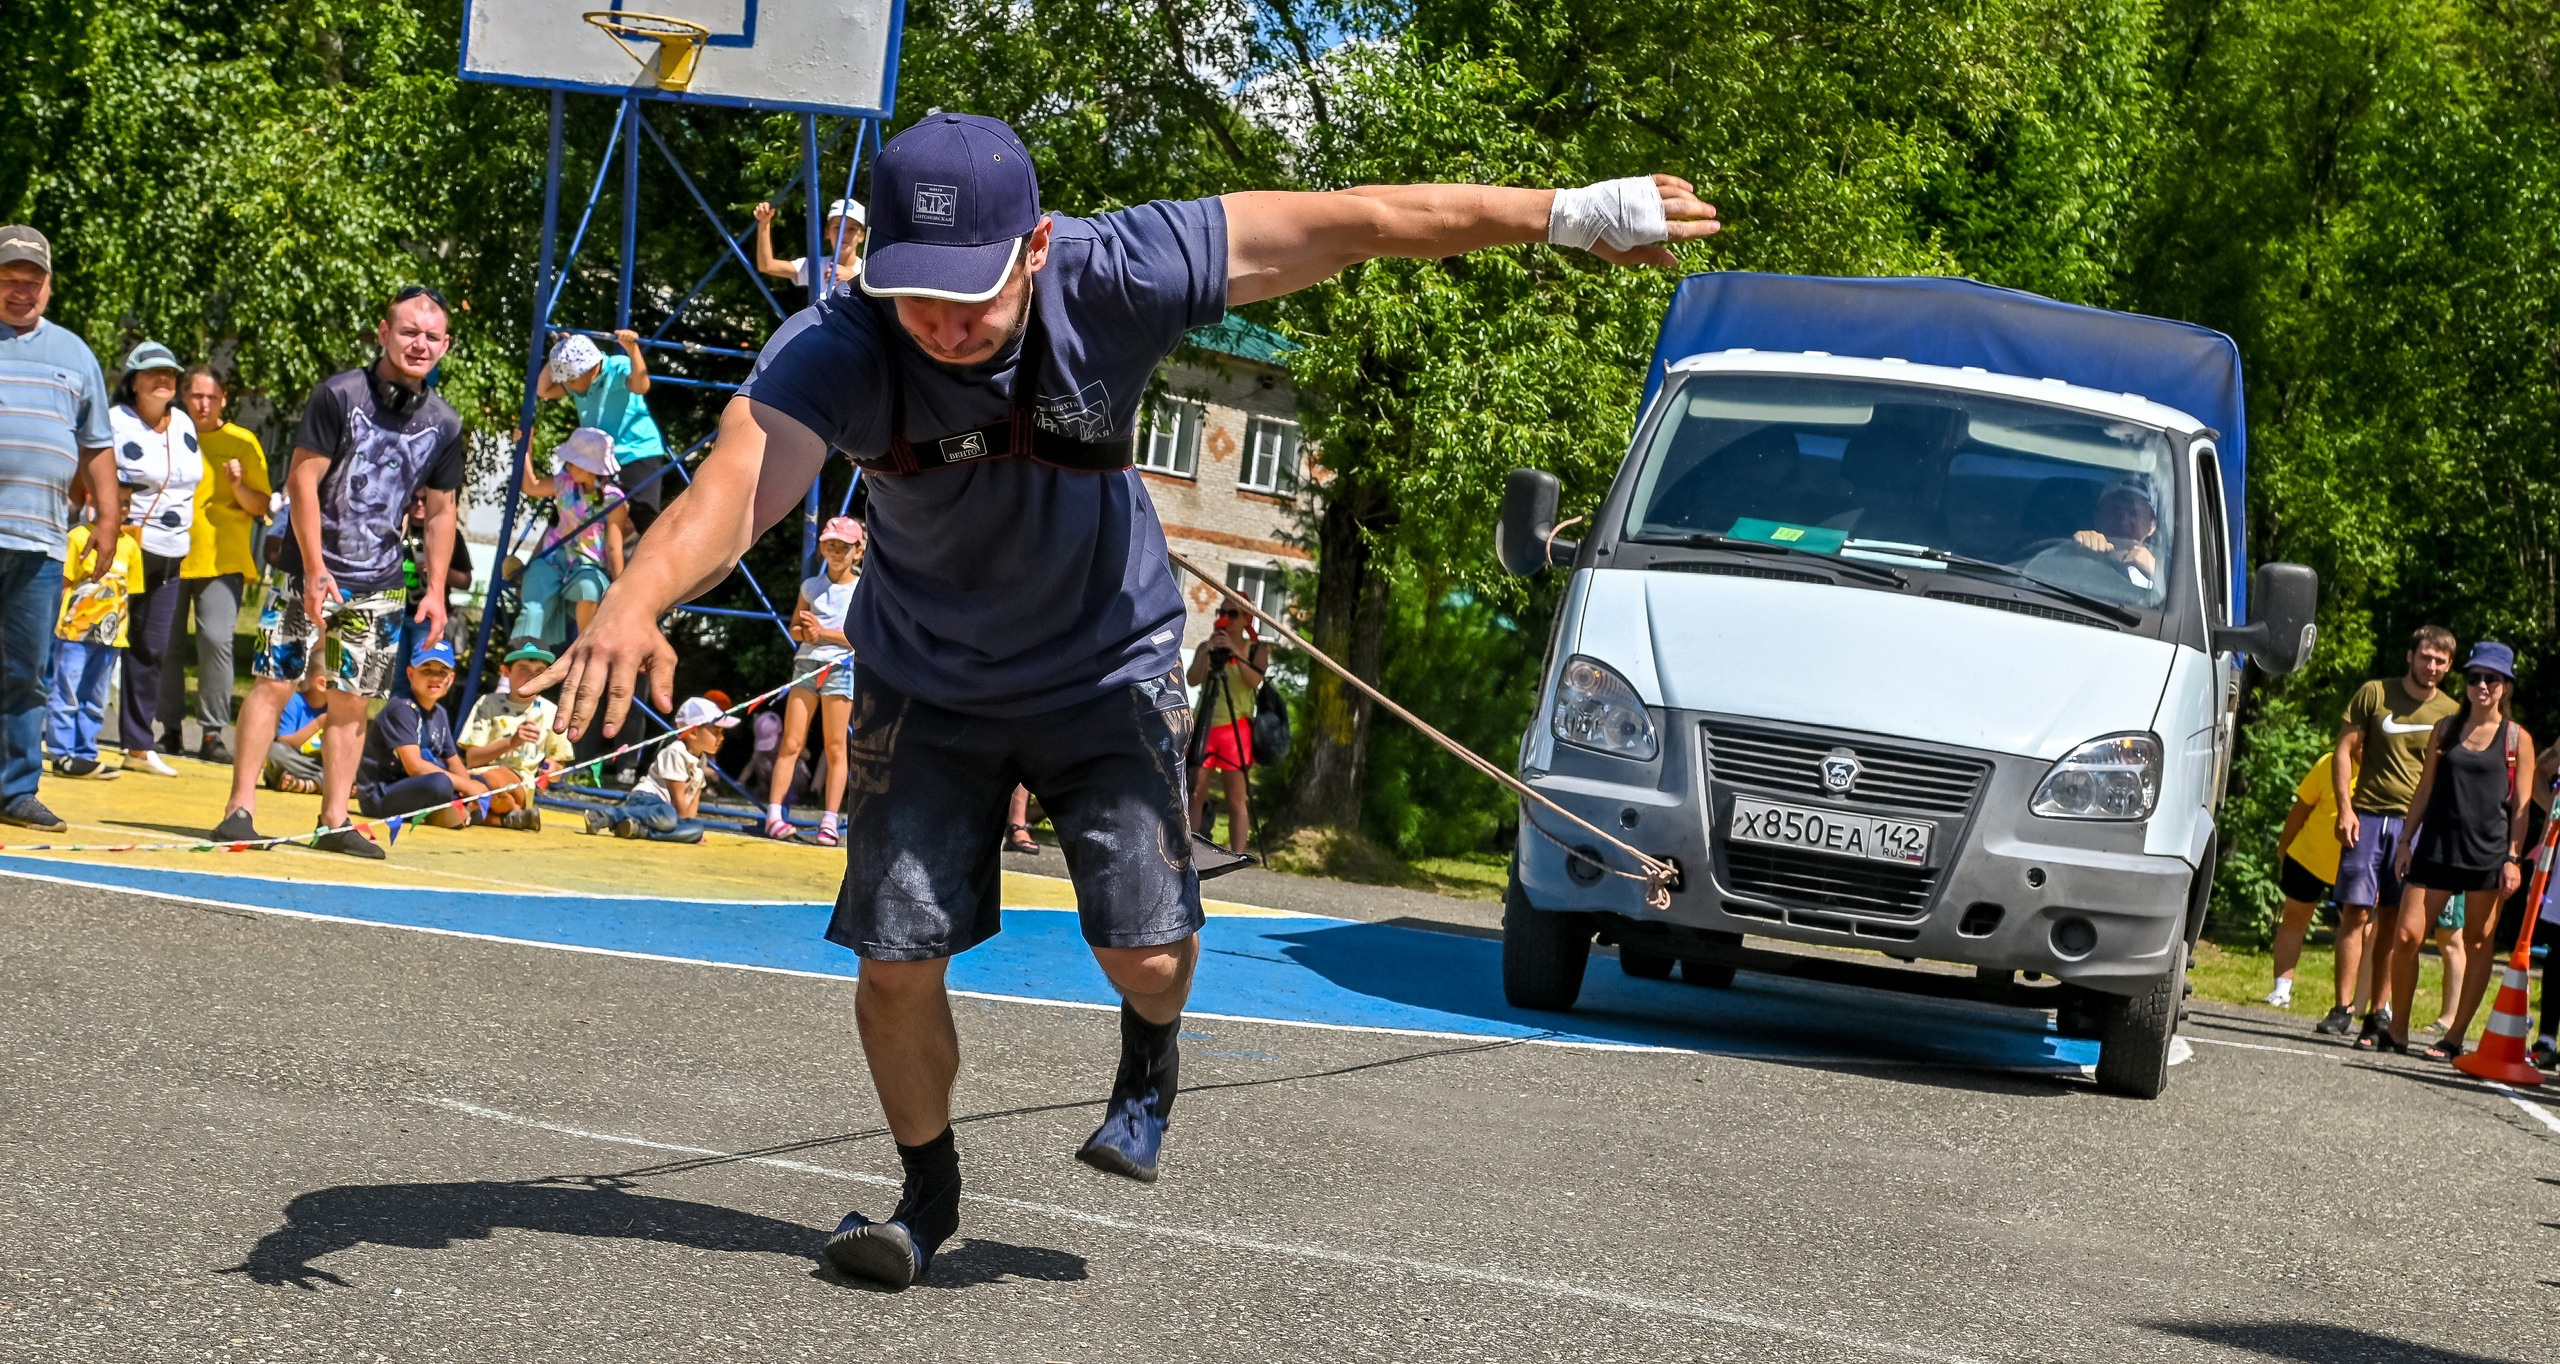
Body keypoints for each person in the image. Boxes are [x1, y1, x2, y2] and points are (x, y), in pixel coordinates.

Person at [530, 112, 1719, 1291]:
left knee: (1145, 955)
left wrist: (1570, 213)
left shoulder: (1116, 271)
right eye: (913, 293)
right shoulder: (838, 345)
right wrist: (636, 596)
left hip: (1107, 668)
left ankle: (1150, 1057)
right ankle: (924, 1195)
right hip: (926, 678)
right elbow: (743, 475)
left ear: (1037, 248)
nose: (942, 322)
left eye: (973, 290)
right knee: (896, 961)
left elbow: (1359, 222)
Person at [213, 285, 466, 859]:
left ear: (445, 345)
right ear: (383, 333)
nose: (419, 344)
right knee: (276, 682)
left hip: (379, 580)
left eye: (431, 336)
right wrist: (313, 566)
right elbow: (302, 480)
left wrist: (434, 592)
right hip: (308, 569)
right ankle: (240, 808)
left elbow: (443, 509)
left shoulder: (445, 424)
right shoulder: (338, 394)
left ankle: (334, 819)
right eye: (408, 331)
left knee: (353, 700)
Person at [0, 225, 123, 832]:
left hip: (41, 541)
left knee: (27, 670)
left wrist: (107, 520)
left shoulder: (76, 355)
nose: (20, 290)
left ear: (48, 288)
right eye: (9, 279)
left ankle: (15, 789)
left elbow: (96, 446)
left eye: (32, 281)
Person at [2366, 642, 2535, 1055]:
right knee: (2407, 936)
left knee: (2477, 943)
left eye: (2491, 679)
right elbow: (2424, 789)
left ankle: (2455, 1036)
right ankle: (2399, 1029)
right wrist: (2406, 840)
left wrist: (2513, 858)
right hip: (2436, 848)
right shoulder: (2445, 729)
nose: (2481, 686)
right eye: (2474, 677)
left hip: (2486, 854)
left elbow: (2521, 807)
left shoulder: (2517, 739)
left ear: (2505, 686)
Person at [2323, 625, 2460, 1037]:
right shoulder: (2375, 693)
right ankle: (2341, 1007)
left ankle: (2378, 1011)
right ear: (2410, 656)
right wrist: (2345, 809)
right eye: (2425, 657)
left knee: (2393, 920)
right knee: (2355, 912)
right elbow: (2344, 750)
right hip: (2366, 815)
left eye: (2440, 661)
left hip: (2414, 827)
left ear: (2449, 666)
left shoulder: (2453, 714)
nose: (2431, 666)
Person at [163, 366, 270, 764]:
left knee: (216, 640)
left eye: (211, 396)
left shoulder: (242, 443)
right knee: (166, 645)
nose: (203, 404)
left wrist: (239, 484)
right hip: (169, 552)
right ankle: (169, 729)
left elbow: (262, 505)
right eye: (195, 396)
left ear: (224, 399)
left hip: (222, 557)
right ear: (183, 398)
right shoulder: (168, 435)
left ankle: (211, 733)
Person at [107, 340, 203, 778]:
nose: (165, 380)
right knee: (98, 639)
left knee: (154, 647)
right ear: (133, 382)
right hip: (126, 544)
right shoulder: (114, 422)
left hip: (172, 549)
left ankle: (138, 745)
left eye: (171, 374)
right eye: (153, 373)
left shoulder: (183, 421)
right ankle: (70, 736)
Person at [354, 639, 528, 831]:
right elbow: (415, 767)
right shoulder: (402, 708)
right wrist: (467, 788)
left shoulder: (440, 713)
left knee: (495, 778)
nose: (435, 678)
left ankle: (481, 812)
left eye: (442, 672)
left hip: (418, 786)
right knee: (441, 784)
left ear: (451, 678)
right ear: (411, 674)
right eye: (426, 670)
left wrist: (470, 787)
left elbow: (453, 761)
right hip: (382, 795)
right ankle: (495, 817)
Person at [764, 516, 861, 845]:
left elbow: (862, 637)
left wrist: (823, 633)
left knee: (835, 746)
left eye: (843, 547)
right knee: (791, 742)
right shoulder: (811, 586)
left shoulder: (862, 589)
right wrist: (806, 632)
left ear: (857, 552)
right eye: (829, 545)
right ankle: (774, 815)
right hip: (806, 664)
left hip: (841, 669)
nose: (835, 552)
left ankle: (829, 821)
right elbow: (795, 629)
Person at [44, 511, 144, 780]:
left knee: (95, 697)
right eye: (116, 501)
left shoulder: (131, 546)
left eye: (126, 502)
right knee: (66, 691)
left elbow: (129, 593)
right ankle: (61, 752)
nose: (121, 508)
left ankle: (85, 752)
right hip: (75, 632)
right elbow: (64, 583)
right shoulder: (78, 537)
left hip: (110, 637)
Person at [509, 428, 628, 650]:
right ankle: (522, 656)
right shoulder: (564, 482)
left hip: (586, 565)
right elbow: (531, 486)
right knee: (533, 609)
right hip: (553, 560)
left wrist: (621, 590)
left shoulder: (614, 499)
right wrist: (525, 447)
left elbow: (614, 547)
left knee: (589, 588)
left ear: (590, 468)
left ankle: (585, 649)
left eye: (574, 461)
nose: (568, 465)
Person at [536, 333, 668, 524]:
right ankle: (551, 552)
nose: (567, 384)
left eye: (571, 379)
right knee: (567, 508)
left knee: (642, 519)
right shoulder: (577, 383)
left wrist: (632, 349)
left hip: (635, 451)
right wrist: (560, 351)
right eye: (564, 379)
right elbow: (543, 390)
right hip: (595, 458)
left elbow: (641, 386)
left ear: (591, 368)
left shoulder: (617, 367)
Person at [2264, 750, 2353, 1011]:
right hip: (2307, 858)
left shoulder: (2382, 768)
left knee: (2361, 932)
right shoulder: (2329, 762)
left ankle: (2369, 1002)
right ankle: (2281, 989)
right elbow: (2301, 808)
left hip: (2352, 867)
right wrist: (2285, 848)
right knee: (2294, 919)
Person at [587, 694, 731, 843]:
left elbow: (694, 798)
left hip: (668, 814)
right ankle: (608, 815)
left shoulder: (701, 760)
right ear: (693, 732)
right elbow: (678, 798)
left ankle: (638, 830)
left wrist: (691, 827)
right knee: (668, 816)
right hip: (647, 800)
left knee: (696, 828)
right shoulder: (676, 752)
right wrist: (685, 826)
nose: (721, 738)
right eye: (716, 732)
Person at [1186, 607, 1270, 854]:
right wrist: (1207, 653)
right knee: (1195, 793)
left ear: (1246, 619)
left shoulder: (1256, 649)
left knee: (1236, 798)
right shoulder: (1207, 646)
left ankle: (1238, 853)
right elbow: (1192, 679)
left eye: (1233, 613)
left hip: (1236, 730)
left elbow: (1254, 680)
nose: (1225, 618)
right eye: (1221, 611)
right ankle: (1189, 850)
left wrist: (1235, 652)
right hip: (1205, 725)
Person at [458, 644, 575, 814]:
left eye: (539, 671)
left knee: (490, 782)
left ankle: (488, 804)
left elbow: (558, 769)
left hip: (519, 783)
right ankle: (512, 814)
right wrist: (511, 742)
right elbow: (473, 759)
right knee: (488, 799)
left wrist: (553, 769)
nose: (532, 676)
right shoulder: (488, 703)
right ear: (506, 671)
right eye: (523, 669)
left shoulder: (551, 712)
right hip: (480, 776)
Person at [754, 198, 865, 294]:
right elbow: (767, 265)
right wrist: (764, 222)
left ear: (862, 236)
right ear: (827, 232)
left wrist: (854, 280)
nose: (843, 234)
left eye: (851, 229)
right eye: (837, 227)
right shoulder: (816, 266)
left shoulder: (868, 271)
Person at [261, 670, 329, 795]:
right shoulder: (294, 702)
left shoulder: (336, 708)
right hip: (295, 762)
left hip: (321, 766)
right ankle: (319, 785)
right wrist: (317, 724)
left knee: (351, 767)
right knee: (274, 752)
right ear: (322, 684)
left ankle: (305, 785)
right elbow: (283, 742)